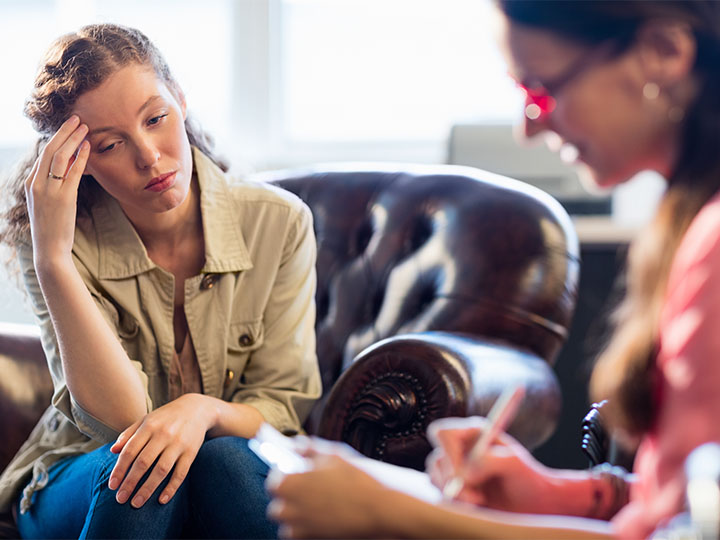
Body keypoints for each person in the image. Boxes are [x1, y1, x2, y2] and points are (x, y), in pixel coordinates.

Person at [265, 1, 720, 538]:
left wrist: (393, 514)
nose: (529, 127)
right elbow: (673, 502)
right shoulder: (690, 225)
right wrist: (553, 492)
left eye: (542, 89)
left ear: (663, 53)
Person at [0, 23, 321, 539]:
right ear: (78, 164)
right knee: (139, 474)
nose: (148, 155)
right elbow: (123, 420)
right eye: (109, 145)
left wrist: (200, 412)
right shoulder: (57, 244)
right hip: (79, 473)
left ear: (182, 101)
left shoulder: (280, 223)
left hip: (227, 462)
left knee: (228, 463)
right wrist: (54, 259)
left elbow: (282, 408)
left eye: (156, 118)